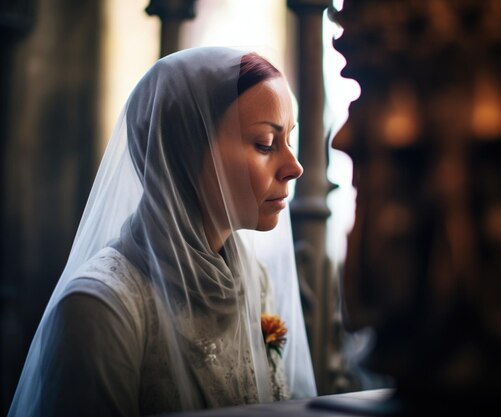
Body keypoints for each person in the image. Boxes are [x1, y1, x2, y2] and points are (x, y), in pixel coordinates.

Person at [8, 46, 317, 417]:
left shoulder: (253, 278)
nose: (294, 167)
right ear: (182, 150)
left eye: (290, 140)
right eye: (265, 143)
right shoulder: (99, 308)